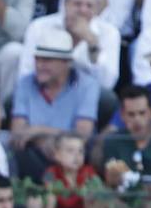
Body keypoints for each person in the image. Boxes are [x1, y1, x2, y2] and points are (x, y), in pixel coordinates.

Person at [9, 28, 99, 182]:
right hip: (34, 151)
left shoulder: (87, 85)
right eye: (38, 59)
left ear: (66, 63)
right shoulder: (25, 83)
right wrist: (42, 141)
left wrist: (39, 130)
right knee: (14, 148)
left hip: (73, 153)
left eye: (47, 60)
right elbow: (18, 131)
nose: (40, 65)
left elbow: (83, 133)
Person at [15, 0, 120, 93]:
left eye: (89, 6)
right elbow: (26, 71)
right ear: (65, 4)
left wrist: (92, 44)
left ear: (97, 9)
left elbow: (107, 83)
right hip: (43, 90)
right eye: (77, 4)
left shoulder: (109, 33)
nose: (83, 10)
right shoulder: (39, 27)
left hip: (86, 94)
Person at [40, 133, 99, 208]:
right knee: (49, 197)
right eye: (70, 151)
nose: (77, 156)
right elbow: (48, 190)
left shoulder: (89, 171)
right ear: (57, 155)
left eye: (81, 151)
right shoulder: (50, 172)